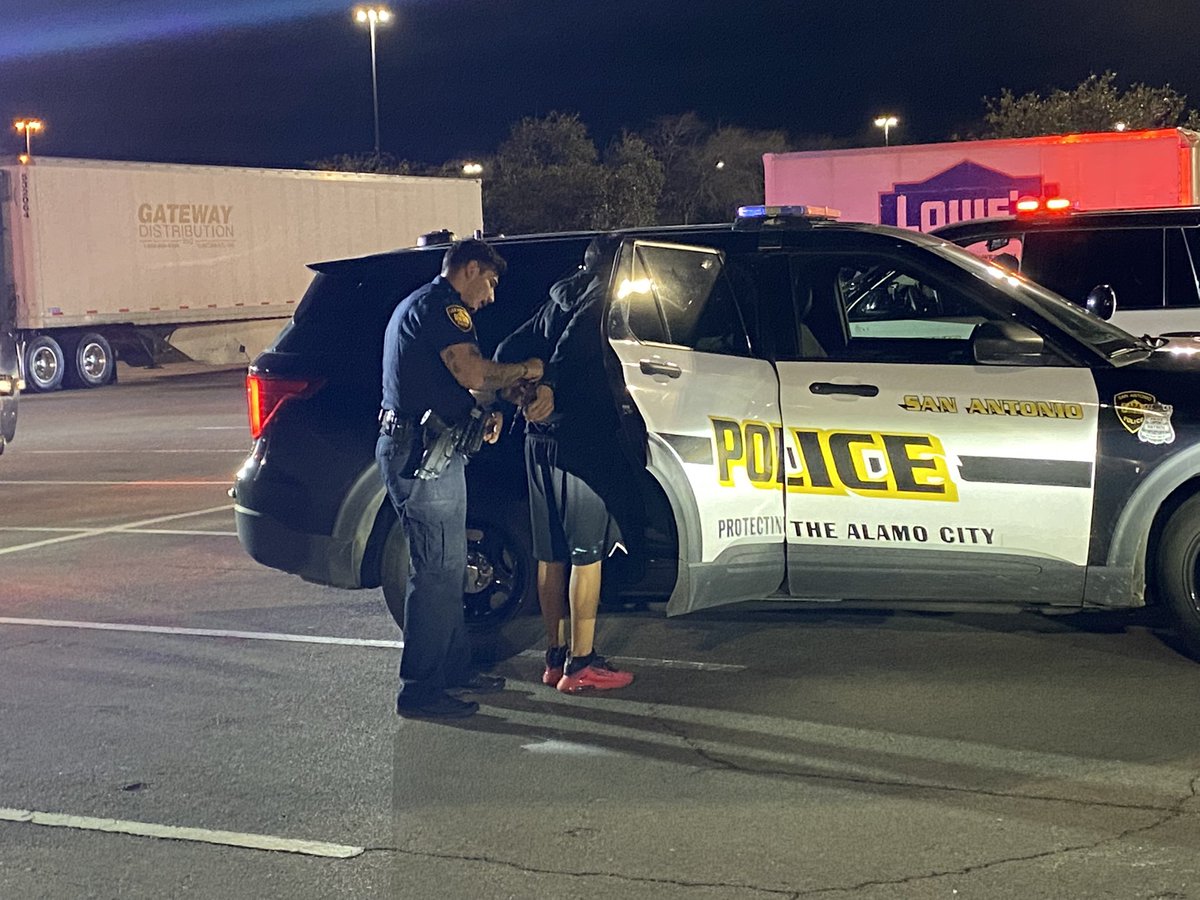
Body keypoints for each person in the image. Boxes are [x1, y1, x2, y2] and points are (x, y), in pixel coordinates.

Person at [377, 238, 544, 719]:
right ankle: (421, 690)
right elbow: (470, 370)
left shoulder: (427, 306)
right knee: (433, 574)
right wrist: (526, 370)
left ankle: (452, 671)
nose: (490, 296)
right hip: (421, 456)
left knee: (449, 570)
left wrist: (484, 408)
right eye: (489, 282)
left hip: (437, 452)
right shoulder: (442, 308)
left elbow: (451, 381)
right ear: (470, 269)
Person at [495, 234, 636, 693]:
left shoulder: (558, 297)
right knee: (586, 556)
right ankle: (582, 663)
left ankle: (554, 658)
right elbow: (575, 347)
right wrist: (552, 384)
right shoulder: (604, 296)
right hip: (580, 441)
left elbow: (506, 351)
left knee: (549, 553)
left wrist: (518, 386)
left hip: (537, 442)